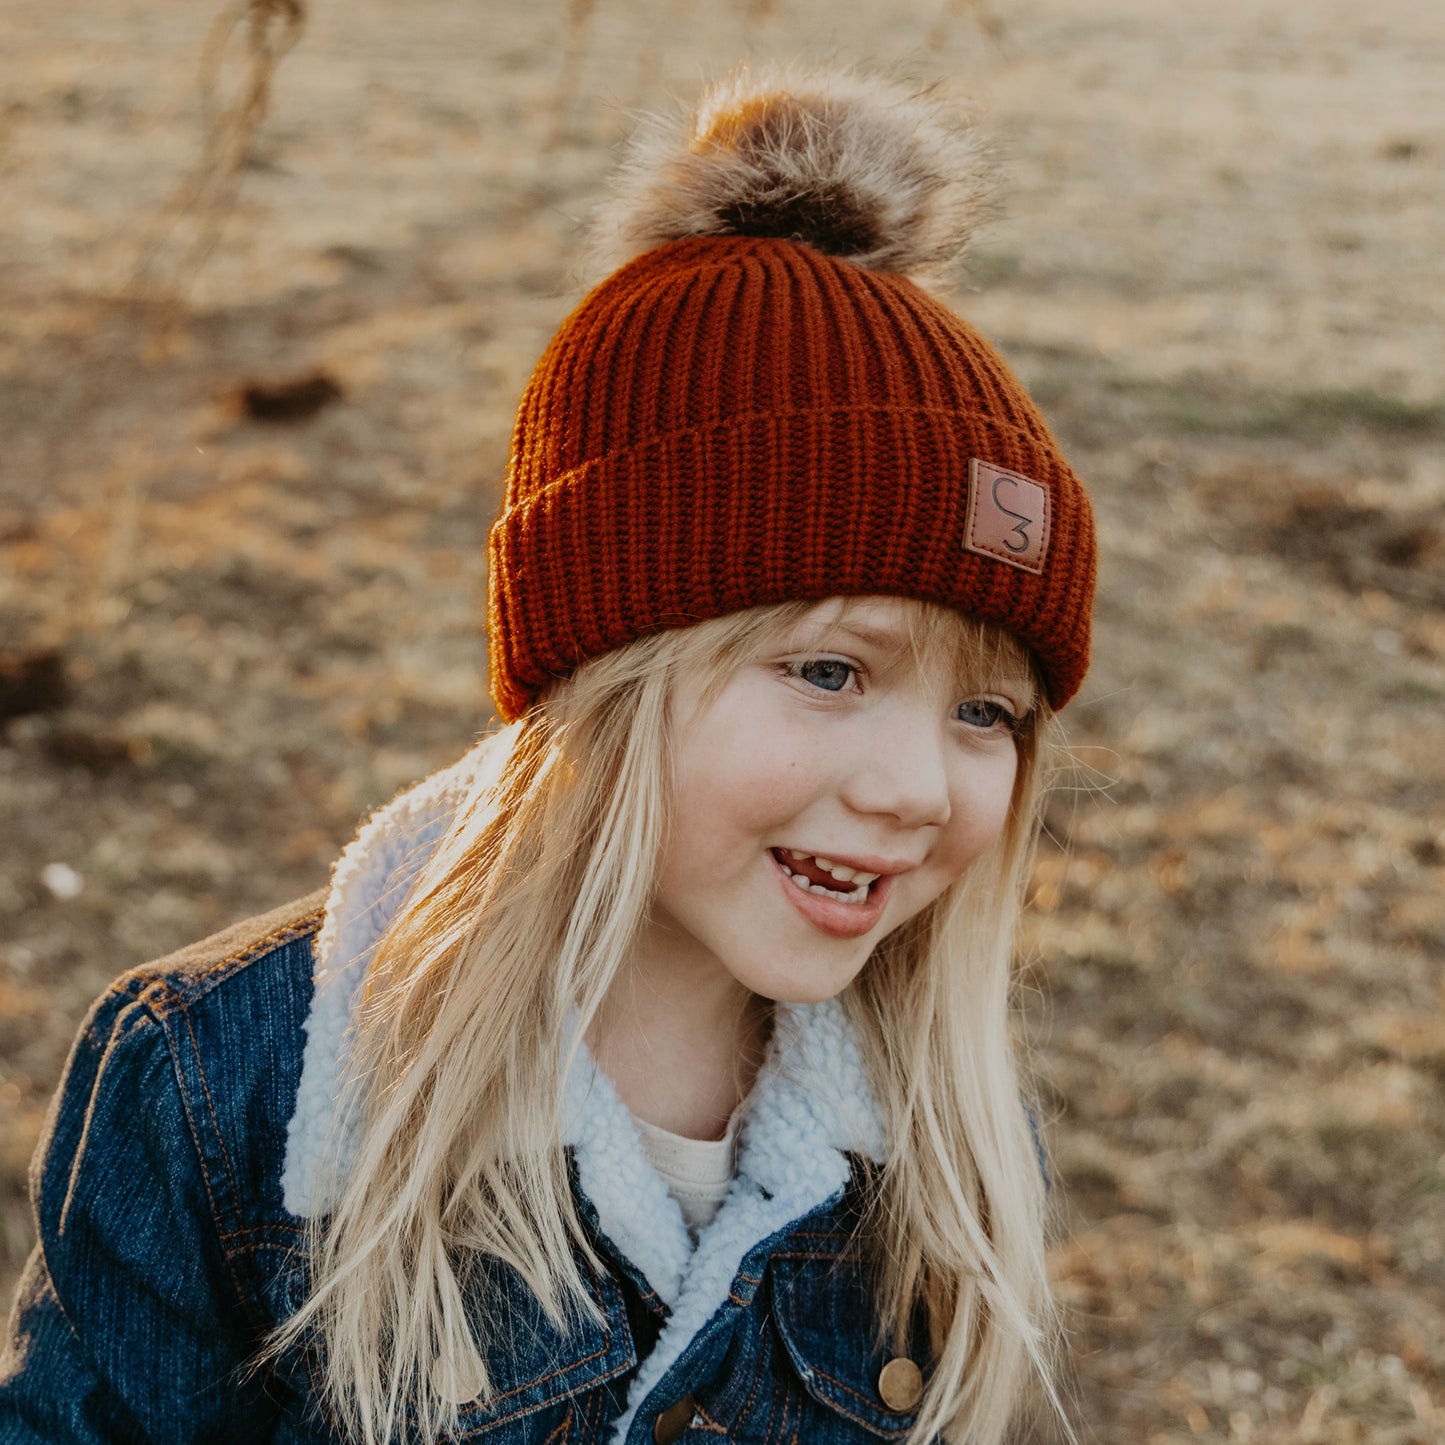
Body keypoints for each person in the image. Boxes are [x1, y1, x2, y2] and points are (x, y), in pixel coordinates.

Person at [0, 64, 1096, 1445]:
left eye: (983, 714)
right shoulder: (223, 1089)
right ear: (603, 671)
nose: (916, 787)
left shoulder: (947, 1135)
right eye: (829, 669)